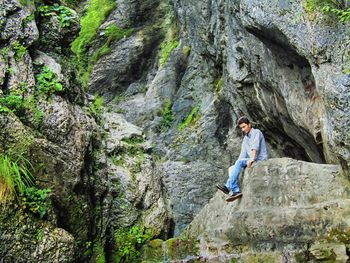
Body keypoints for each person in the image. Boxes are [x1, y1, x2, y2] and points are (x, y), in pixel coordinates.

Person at [216, 117, 268, 202]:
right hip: (251, 159)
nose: (243, 129)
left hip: (259, 159)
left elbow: (255, 147)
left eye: (244, 127)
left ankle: (229, 187)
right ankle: (236, 191)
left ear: (249, 125)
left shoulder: (256, 132)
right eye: (241, 128)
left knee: (239, 163)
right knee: (231, 168)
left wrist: (251, 159)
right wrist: (237, 165)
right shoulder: (245, 139)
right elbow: (242, 155)